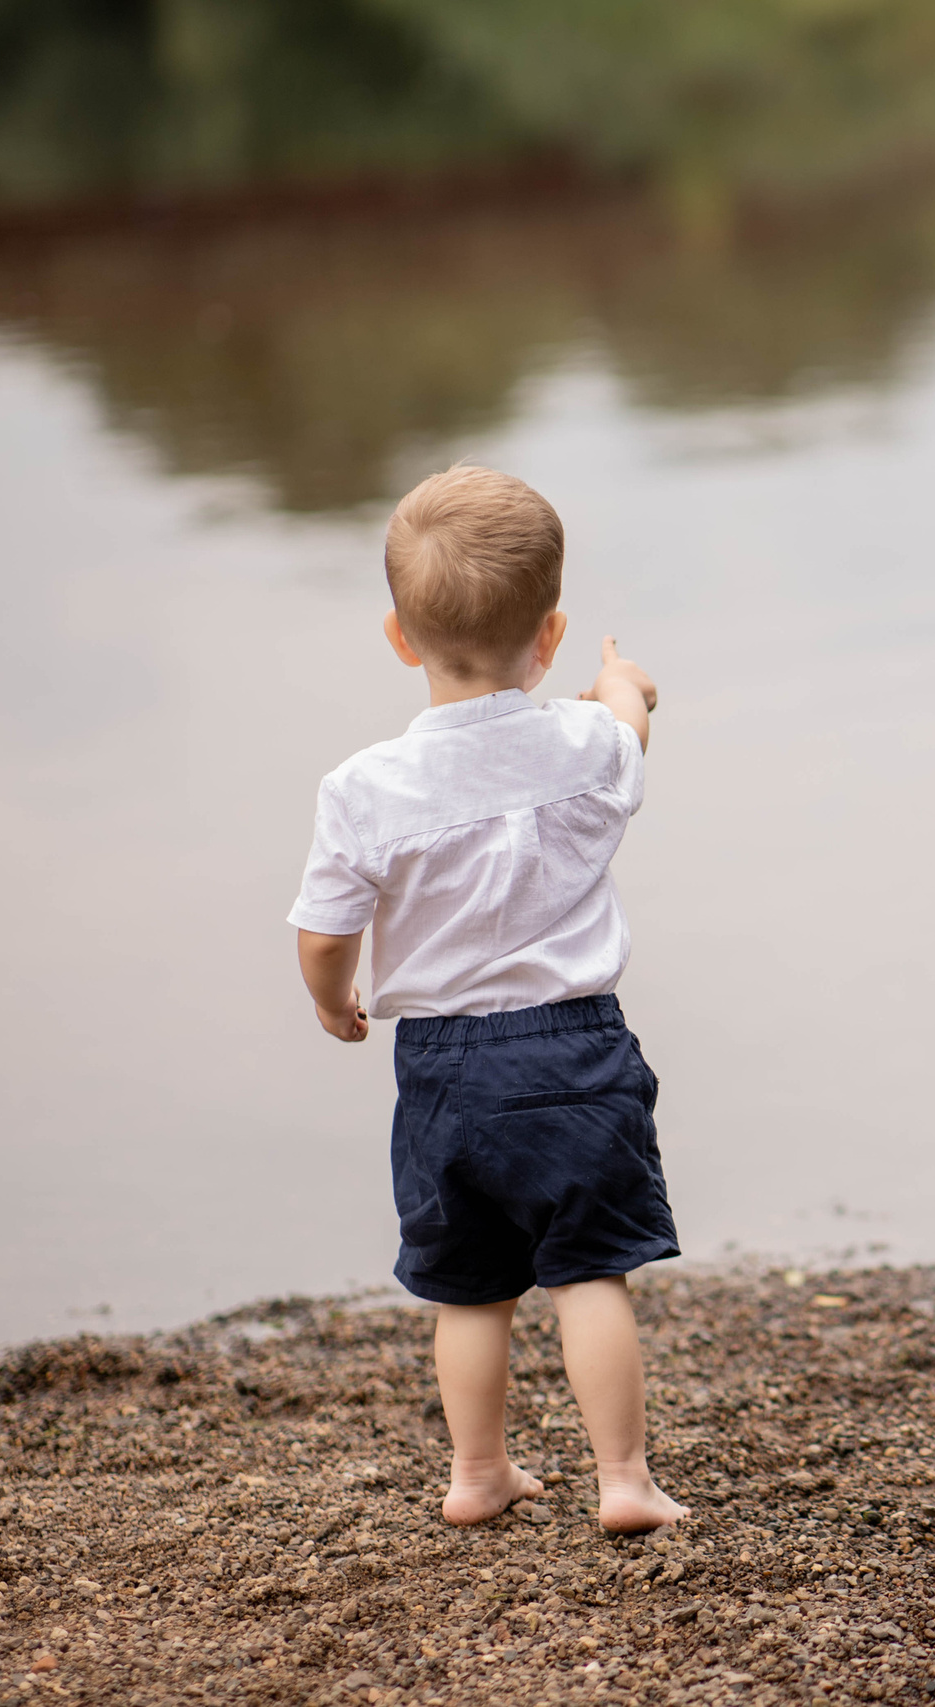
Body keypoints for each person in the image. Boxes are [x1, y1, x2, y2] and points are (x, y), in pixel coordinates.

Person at [288, 465, 687, 1533]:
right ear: (548, 637)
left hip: (442, 1067)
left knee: (468, 1288)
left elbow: (322, 932)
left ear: (399, 637)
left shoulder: (364, 788)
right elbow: (626, 728)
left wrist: (333, 1000)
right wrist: (623, 682)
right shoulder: (586, 747)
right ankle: (624, 1480)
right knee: (590, 1273)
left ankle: (477, 1473)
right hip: (576, 1051)